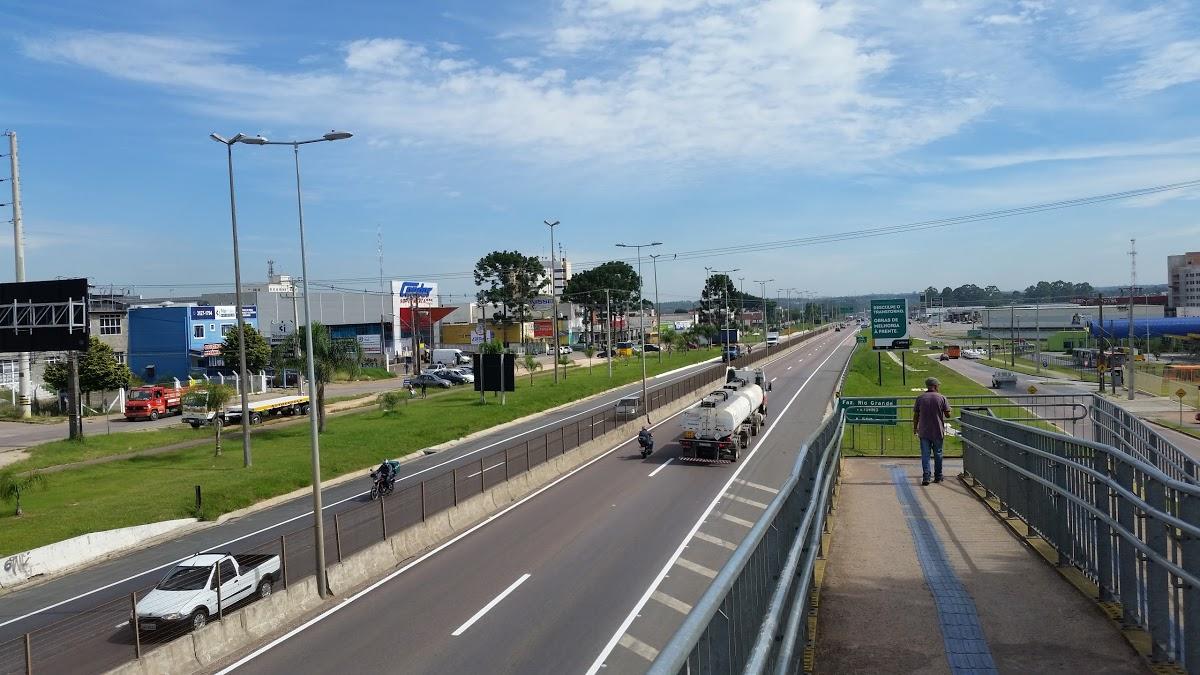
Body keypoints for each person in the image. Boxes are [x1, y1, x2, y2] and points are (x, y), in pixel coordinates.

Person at [913, 377, 951, 486]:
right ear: (935, 386)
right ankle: (938, 476)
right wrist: (949, 410)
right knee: (938, 454)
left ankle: (926, 477)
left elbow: (916, 415)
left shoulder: (920, 398)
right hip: (938, 430)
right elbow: (948, 415)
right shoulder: (942, 398)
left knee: (925, 455)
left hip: (924, 431)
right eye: (938, 385)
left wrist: (915, 428)